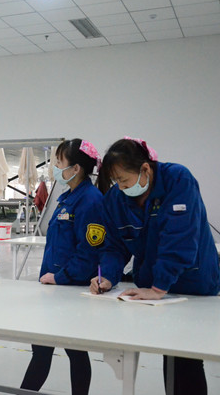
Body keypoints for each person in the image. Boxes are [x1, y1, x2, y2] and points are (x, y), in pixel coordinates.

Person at [91, 137, 220, 395]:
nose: (121, 188)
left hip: (193, 283)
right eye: (117, 182)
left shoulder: (178, 180)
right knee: (170, 352)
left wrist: (159, 286)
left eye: (124, 180)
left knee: (187, 356)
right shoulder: (116, 199)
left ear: (146, 169)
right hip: (153, 289)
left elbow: (179, 238)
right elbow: (114, 246)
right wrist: (107, 277)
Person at [20, 139, 104, 395]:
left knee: (73, 352)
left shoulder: (90, 201)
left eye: (59, 162)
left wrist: (60, 277)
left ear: (76, 168)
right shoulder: (67, 197)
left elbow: (89, 253)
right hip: (54, 288)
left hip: (71, 290)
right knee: (43, 349)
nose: (55, 167)